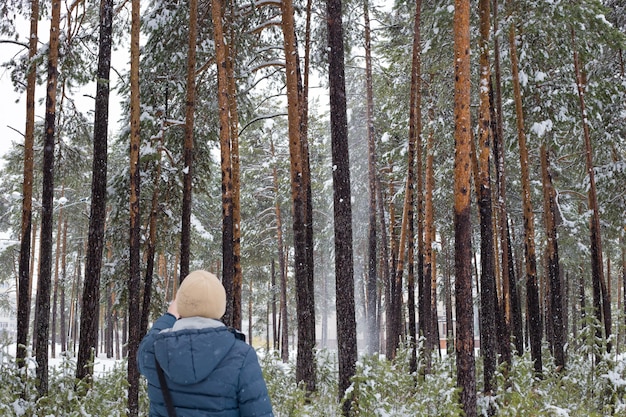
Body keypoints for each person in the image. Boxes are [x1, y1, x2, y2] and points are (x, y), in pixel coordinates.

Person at [138, 270, 274, 417]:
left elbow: (147, 344)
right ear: (220, 306)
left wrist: (169, 316)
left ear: (180, 305)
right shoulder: (241, 356)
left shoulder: (155, 351)